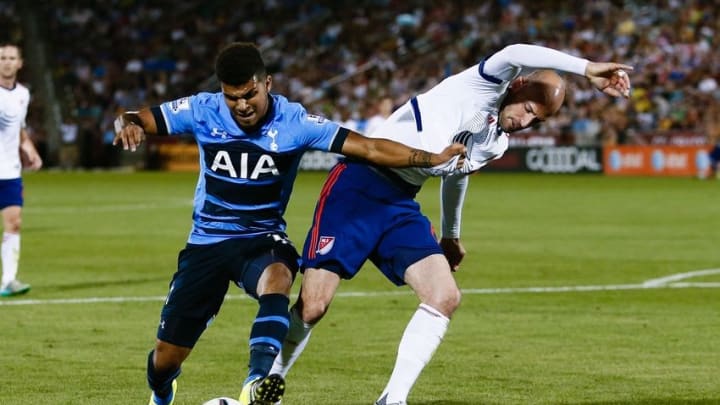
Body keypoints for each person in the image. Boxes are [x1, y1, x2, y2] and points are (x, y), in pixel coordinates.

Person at [270, 43, 632, 405]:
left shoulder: (496, 142)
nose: (525, 123)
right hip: (359, 185)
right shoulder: (481, 85)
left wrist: (451, 234)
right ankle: (265, 386)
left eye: (537, 122)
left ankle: (392, 399)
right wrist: (586, 69)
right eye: (528, 111)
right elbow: (515, 50)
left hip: (401, 201)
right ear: (518, 87)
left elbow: (456, 176)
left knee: (444, 296)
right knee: (314, 305)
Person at [111, 42, 465, 405]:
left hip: (262, 238)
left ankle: (257, 382)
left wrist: (431, 158)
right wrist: (129, 124)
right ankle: (162, 389)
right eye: (232, 98)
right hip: (207, 243)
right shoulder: (202, 110)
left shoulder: (294, 122)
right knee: (165, 359)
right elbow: (134, 116)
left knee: (279, 278)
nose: (242, 105)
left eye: (249, 94)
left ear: (267, 83)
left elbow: (370, 148)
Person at [0, 43, 43, 298]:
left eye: (11, 58)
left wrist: (30, 149)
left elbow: (19, 129)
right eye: (2, 57)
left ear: (19, 63)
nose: (6, 62)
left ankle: (8, 280)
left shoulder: (23, 95)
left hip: (10, 171)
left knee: (14, 224)